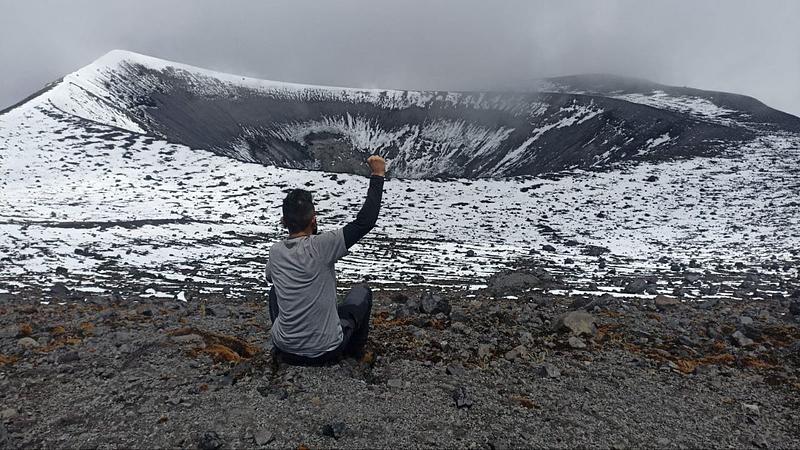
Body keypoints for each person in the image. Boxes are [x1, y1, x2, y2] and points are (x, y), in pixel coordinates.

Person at [266, 155, 386, 365]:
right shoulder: (322, 245)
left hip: (285, 349)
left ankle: (289, 339)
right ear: (313, 219)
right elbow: (365, 222)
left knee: (274, 291)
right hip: (325, 351)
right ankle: (355, 354)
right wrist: (378, 175)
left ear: (284, 222)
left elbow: (270, 279)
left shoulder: (276, 252)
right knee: (362, 293)